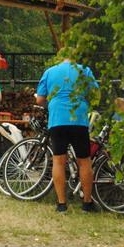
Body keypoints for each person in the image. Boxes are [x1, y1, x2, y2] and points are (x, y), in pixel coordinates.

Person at [35, 57, 99, 213]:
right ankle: (87, 203)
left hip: (57, 119)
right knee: (84, 161)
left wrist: (50, 105)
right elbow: (95, 94)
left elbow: (39, 99)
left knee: (58, 161)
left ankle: (62, 204)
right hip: (79, 119)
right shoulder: (85, 71)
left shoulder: (50, 72)